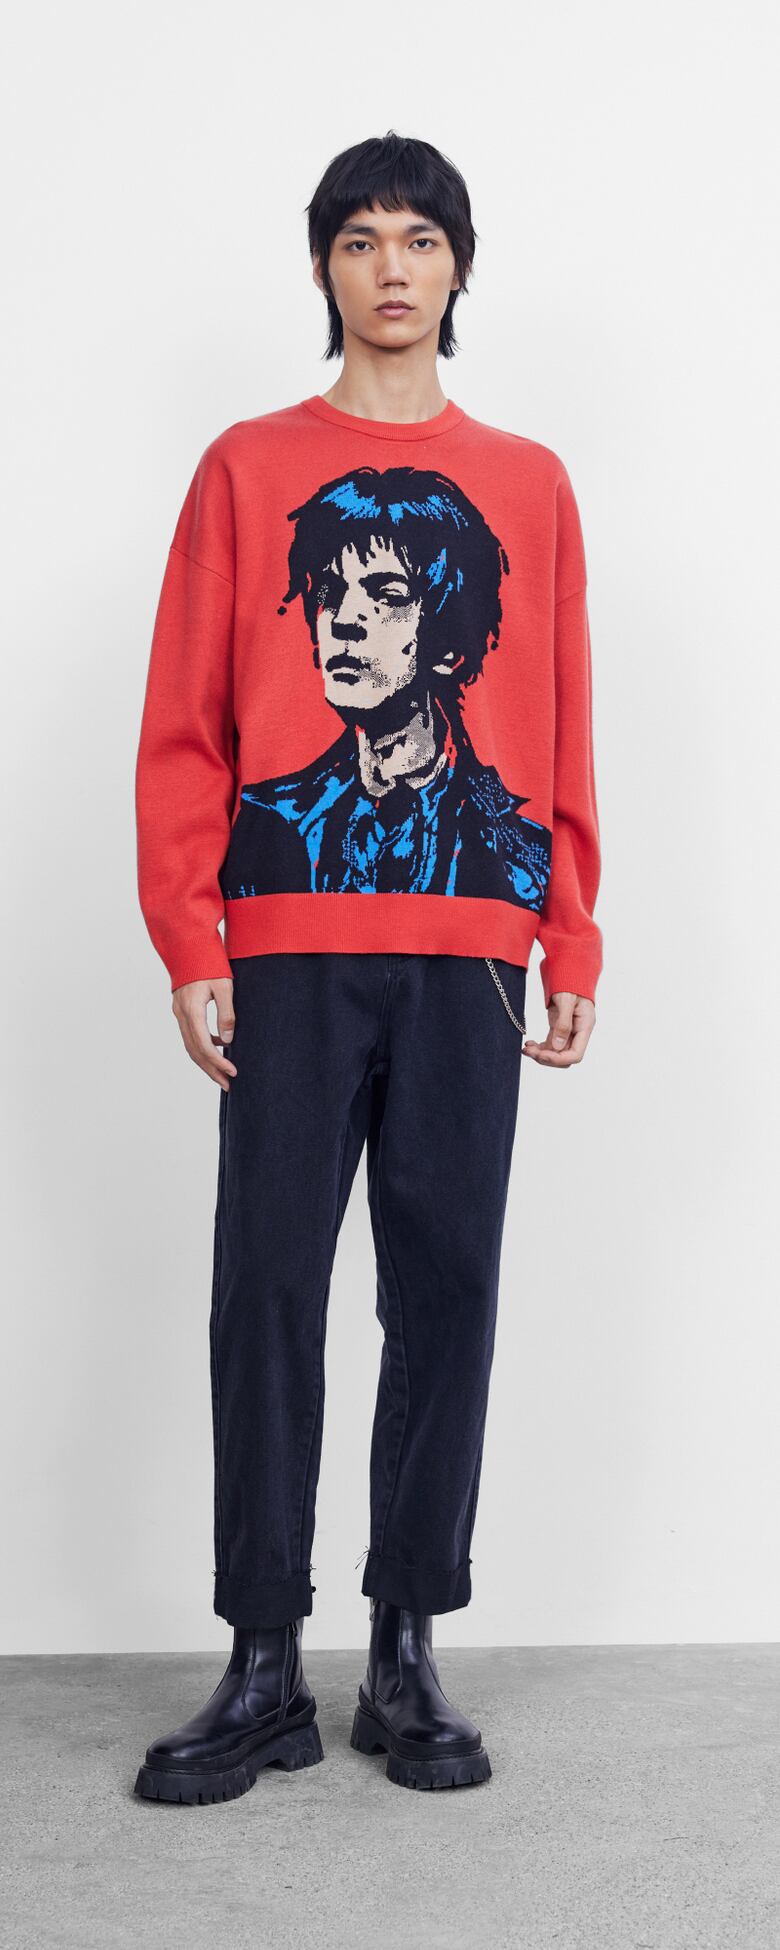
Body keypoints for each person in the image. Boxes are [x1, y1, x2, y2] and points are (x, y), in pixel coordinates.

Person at [132, 130, 603, 1803]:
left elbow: (566, 714)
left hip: (473, 953)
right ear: (324, 265)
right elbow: (185, 719)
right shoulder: (245, 466)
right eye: (356, 238)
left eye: (418, 238)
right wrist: (192, 931)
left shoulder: (531, 483)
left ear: (458, 267)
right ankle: (263, 1657)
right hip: (286, 951)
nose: (388, 266)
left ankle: (406, 1649)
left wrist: (571, 924)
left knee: (446, 1290)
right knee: (264, 1286)